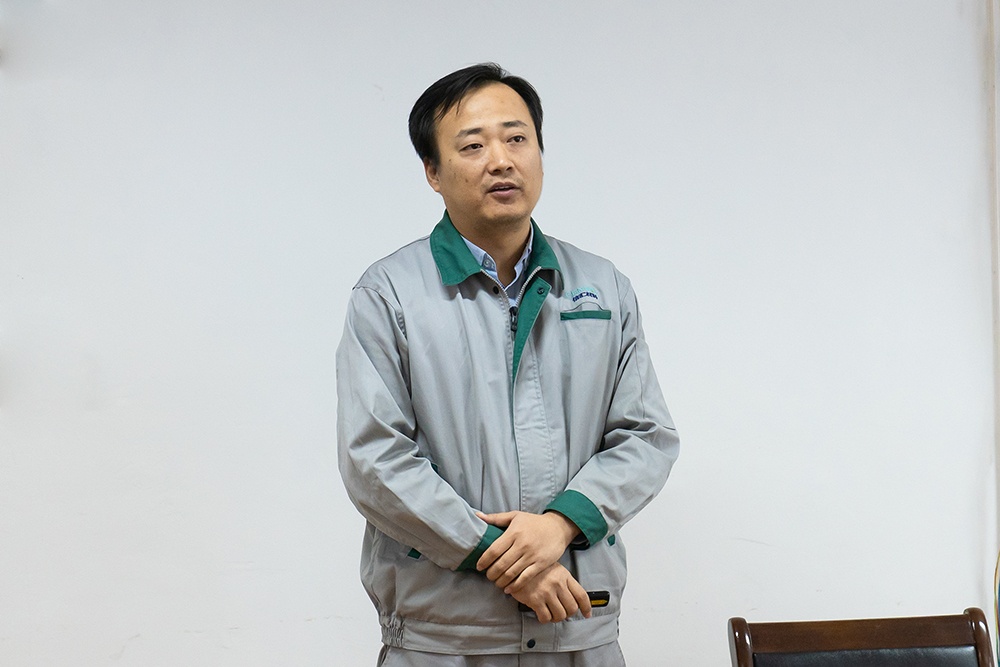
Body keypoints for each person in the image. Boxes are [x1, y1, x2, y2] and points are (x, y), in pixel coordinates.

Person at [337, 62, 679, 666]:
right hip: (444, 638)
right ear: (433, 172)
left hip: (579, 626)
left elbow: (646, 437)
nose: (501, 160)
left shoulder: (603, 287)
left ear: (540, 153)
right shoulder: (389, 295)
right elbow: (375, 461)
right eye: (473, 146)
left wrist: (560, 526)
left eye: (517, 138)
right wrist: (501, 555)